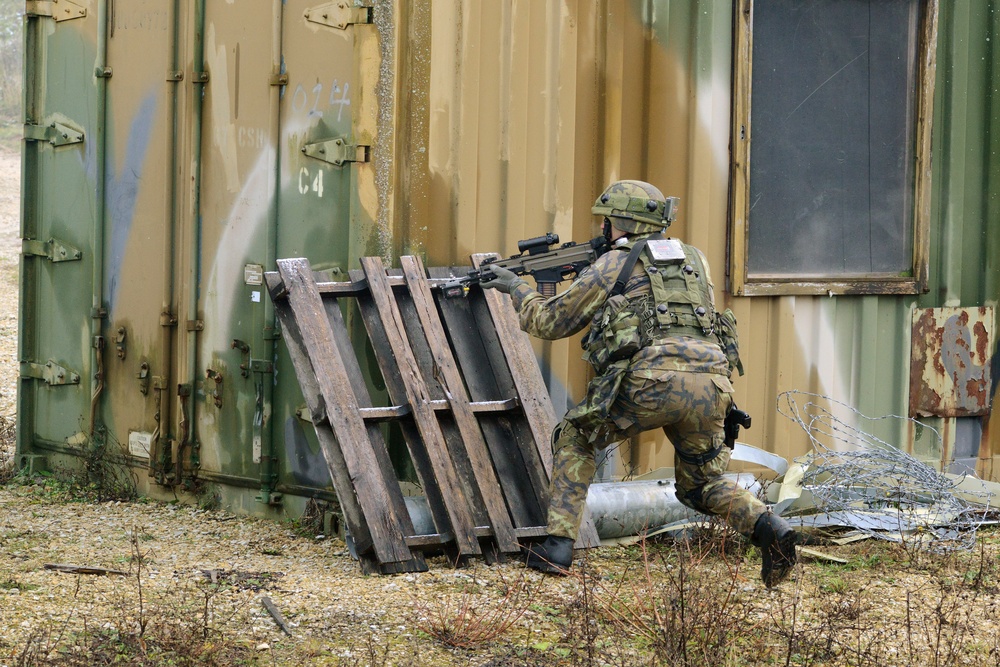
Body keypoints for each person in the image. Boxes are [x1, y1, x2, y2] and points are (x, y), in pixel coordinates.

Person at [481, 180, 797, 587]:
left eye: (606, 222)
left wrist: (517, 287)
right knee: (703, 484)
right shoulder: (695, 259)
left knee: (577, 436)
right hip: (713, 385)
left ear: (621, 222)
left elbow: (550, 321)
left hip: (652, 382)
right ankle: (770, 528)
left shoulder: (615, 261)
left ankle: (557, 547)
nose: (602, 229)